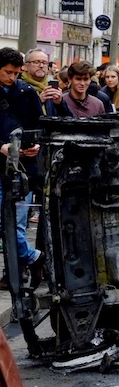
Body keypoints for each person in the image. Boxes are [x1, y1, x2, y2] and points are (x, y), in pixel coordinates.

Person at [0, 48, 44, 290]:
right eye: (8, 72)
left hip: (22, 168)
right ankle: (31, 257)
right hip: (3, 162)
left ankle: (17, 272)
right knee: (3, 222)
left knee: (15, 222)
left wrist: (35, 144)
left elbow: (37, 124)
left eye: (17, 73)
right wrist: (2, 147)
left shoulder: (27, 92)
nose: (12, 77)